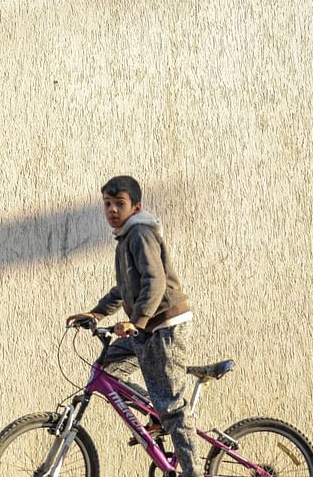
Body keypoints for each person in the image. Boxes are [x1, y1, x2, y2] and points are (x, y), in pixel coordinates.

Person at [66, 176, 199, 477]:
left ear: (136, 207)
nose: (112, 210)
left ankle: (191, 470)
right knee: (108, 370)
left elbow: (155, 282)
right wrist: (96, 314)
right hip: (146, 328)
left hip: (165, 325)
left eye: (119, 204)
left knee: (173, 407)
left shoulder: (140, 232)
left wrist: (135, 322)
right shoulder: (125, 238)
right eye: (108, 204)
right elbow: (124, 289)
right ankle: (157, 413)